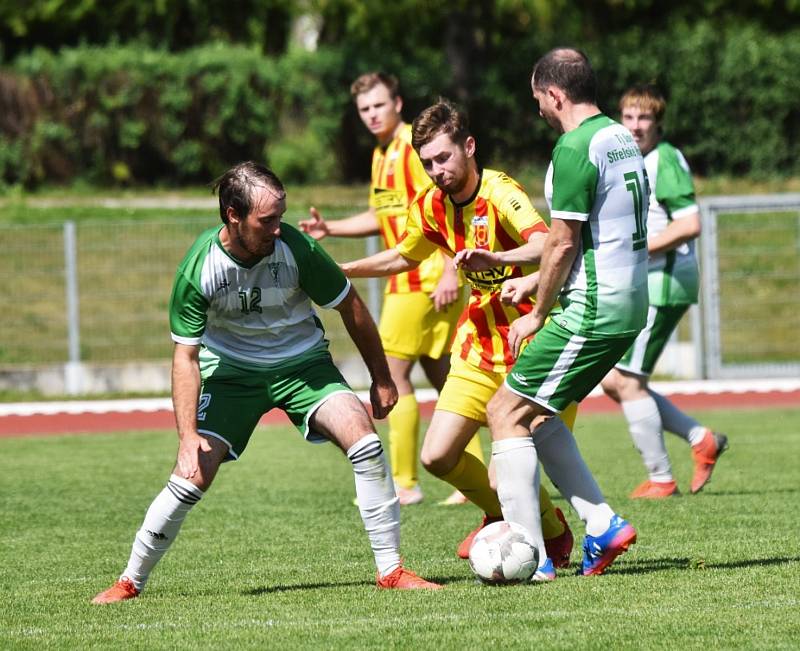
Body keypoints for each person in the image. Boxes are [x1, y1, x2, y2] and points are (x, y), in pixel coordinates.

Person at [91, 162, 440, 604]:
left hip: (303, 368)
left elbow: (349, 305)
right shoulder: (199, 268)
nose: (279, 229)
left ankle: (391, 570)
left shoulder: (297, 248)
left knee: (366, 443)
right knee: (191, 474)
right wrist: (187, 436)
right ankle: (129, 581)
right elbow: (186, 357)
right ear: (233, 216)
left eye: (281, 216)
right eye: (267, 220)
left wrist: (381, 377)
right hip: (232, 373)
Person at [341, 100, 576, 574]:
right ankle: (540, 525)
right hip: (477, 347)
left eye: (444, 158)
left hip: (531, 345)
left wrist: (496, 260)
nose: (436, 171)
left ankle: (552, 536)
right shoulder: (429, 205)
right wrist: (341, 271)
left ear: (469, 147)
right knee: (439, 455)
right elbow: (403, 257)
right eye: (427, 163)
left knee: (517, 468)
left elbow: (547, 242)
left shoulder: (500, 191)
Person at [485, 47, 648, 578]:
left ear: (554, 95)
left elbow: (562, 242)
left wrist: (537, 309)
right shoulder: (619, 138)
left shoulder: (574, 147)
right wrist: (522, 269)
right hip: (625, 302)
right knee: (539, 416)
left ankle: (529, 560)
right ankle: (601, 525)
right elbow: (598, 237)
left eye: (538, 100)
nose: (538, 111)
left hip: (593, 309)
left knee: (504, 412)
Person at [299, 72, 473, 507]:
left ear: (397, 102)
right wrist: (332, 228)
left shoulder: (417, 152)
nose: (372, 115)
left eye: (379, 105)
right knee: (445, 379)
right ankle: (470, 478)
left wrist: (452, 268)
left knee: (393, 375)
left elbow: (447, 210)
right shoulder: (382, 155)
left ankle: (405, 483)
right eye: (364, 109)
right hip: (409, 278)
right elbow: (386, 215)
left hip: (425, 279)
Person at [599, 85, 727, 498]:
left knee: (624, 380)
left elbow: (689, 224)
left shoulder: (664, 159)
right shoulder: (635, 158)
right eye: (629, 117)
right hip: (651, 280)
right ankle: (699, 438)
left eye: (644, 118)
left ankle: (661, 479)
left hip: (665, 280)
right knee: (617, 380)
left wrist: (634, 249)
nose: (635, 126)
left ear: (658, 123)